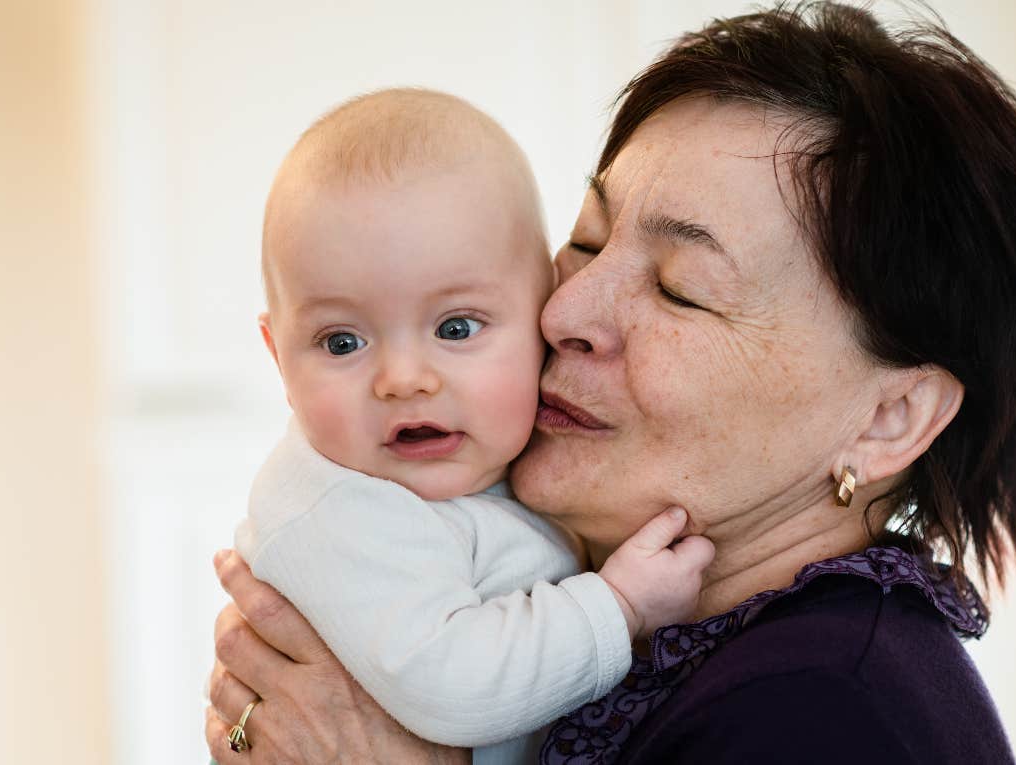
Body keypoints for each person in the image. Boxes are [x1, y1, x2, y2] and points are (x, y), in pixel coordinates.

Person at [206, 3, 1016, 763]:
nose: (563, 311)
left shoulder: (824, 710)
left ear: (889, 416)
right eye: (588, 240)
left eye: (680, 289)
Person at [239, 87, 715, 763]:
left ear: (543, 310)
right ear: (279, 360)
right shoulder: (339, 510)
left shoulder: (507, 465)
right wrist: (619, 606)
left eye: (455, 327)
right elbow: (451, 686)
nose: (403, 378)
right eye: (342, 342)